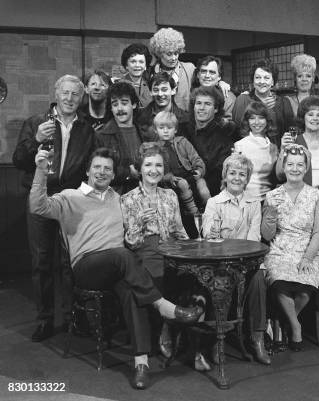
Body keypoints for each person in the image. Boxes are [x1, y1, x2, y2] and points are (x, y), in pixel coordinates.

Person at [30, 147, 202, 389]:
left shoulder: (117, 198)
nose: (102, 172)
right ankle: (163, 305)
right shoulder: (69, 196)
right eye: (97, 167)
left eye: (107, 169)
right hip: (87, 267)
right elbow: (37, 207)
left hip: (118, 268)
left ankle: (141, 364)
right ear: (88, 170)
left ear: (113, 175)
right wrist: (40, 170)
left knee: (133, 291)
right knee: (122, 255)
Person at [13, 74, 95, 342]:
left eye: (75, 94)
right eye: (65, 93)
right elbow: (19, 160)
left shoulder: (86, 128)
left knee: (71, 262)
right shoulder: (37, 123)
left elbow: (92, 166)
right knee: (42, 262)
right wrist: (36, 139)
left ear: (81, 99)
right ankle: (45, 320)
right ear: (56, 94)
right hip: (40, 198)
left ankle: (74, 317)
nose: (70, 99)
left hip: (70, 201)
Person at [198, 153, 270, 365]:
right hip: (220, 262)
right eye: (233, 173)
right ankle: (215, 341)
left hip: (247, 263)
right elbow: (211, 238)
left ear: (247, 178)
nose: (237, 178)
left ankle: (257, 339)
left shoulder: (254, 203)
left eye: (242, 174)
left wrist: (241, 257)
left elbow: (254, 240)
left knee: (258, 279)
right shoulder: (214, 202)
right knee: (218, 279)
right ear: (225, 176)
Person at [120, 143, 190, 360]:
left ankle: (189, 341)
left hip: (171, 248)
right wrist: (139, 222)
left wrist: (193, 250)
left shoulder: (170, 195)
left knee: (192, 276)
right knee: (157, 275)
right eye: (148, 164)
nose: (154, 170)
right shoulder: (128, 199)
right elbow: (130, 243)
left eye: (158, 165)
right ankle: (165, 327)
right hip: (144, 250)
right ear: (140, 168)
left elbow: (179, 231)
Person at [262, 144, 319, 351]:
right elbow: (266, 235)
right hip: (279, 249)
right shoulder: (272, 196)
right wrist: (270, 216)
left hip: (307, 249)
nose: (295, 168)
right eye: (290, 164)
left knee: (306, 287)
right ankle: (296, 327)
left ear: (306, 167)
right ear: (284, 166)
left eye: (300, 165)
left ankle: (282, 322)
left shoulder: (316, 195)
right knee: (280, 282)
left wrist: (308, 258)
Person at [154, 111, 209, 214]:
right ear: (156, 130)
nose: (165, 131)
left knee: (202, 185)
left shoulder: (182, 142)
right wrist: (169, 177)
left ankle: (210, 208)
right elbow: (157, 172)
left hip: (189, 172)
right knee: (183, 184)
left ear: (175, 130)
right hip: (172, 178)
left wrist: (199, 170)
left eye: (169, 128)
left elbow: (195, 158)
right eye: (161, 128)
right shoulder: (156, 149)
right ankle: (194, 212)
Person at [185, 86, 236, 199]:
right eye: (198, 103)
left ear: (216, 109)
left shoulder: (223, 138)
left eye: (207, 104)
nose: (201, 108)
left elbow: (219, 176)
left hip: (209, 197)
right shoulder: (182, 130)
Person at [232, 59, 295, 148]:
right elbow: (237, 132)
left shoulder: (283, 103)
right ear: (253, 81)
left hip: (277, 154)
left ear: (273, 82)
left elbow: (289, 132)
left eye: (266, 78)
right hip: (248, 153)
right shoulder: (243, 100)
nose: (262, 82)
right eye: (258, 77)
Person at [277, 96, 319, 187]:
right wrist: (283, 150)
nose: (315, 118)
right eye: (310, 114)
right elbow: (280, 176)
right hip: (298, 195)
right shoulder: (293, 142)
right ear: (303, 117)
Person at [95, 81, 144, 194]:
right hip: (116, 196)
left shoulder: (145, 132)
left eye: (124, 103)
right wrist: (127, 173)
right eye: (115, 104)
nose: (119, 109)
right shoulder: (102, 136)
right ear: (111, 108)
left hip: (144, 195)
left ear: (134, 104)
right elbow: (98, 171)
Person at [233, 102, 279, 201]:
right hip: (245, 202)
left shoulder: (273, 148)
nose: (256, 122)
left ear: (267, 121)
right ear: (247, 121)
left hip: (268, 202)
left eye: (261, 118)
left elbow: (277, 178)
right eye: (252, 118)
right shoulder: (240, 145)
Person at [148, 27, 195, 111]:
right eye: (169, 54)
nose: (174, 58)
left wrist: (221, 83)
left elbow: (207, 81)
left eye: (176, 53)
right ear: (159, 53)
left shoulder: (189, 69)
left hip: (184, 120)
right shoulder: (150, 73)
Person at [135, 72, 190, 140]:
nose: (160, 94)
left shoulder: (185, 119)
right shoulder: (140, 118)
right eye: (156, 90)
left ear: (173, 90)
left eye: (164, 90)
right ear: (150, 92)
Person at [190, 55, 235, 120]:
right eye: (204, 71)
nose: (207, 75)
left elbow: (228, 126)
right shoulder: (193, 95)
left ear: (219, 77)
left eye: (212, 72)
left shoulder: (228, 97)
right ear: (198, 75)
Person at [120, 43, 152, 108]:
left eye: (141, 62)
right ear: (126, 66)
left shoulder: (150, 85)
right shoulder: (119, 86)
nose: (137, 65)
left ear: (145, 66)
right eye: (133, 61)